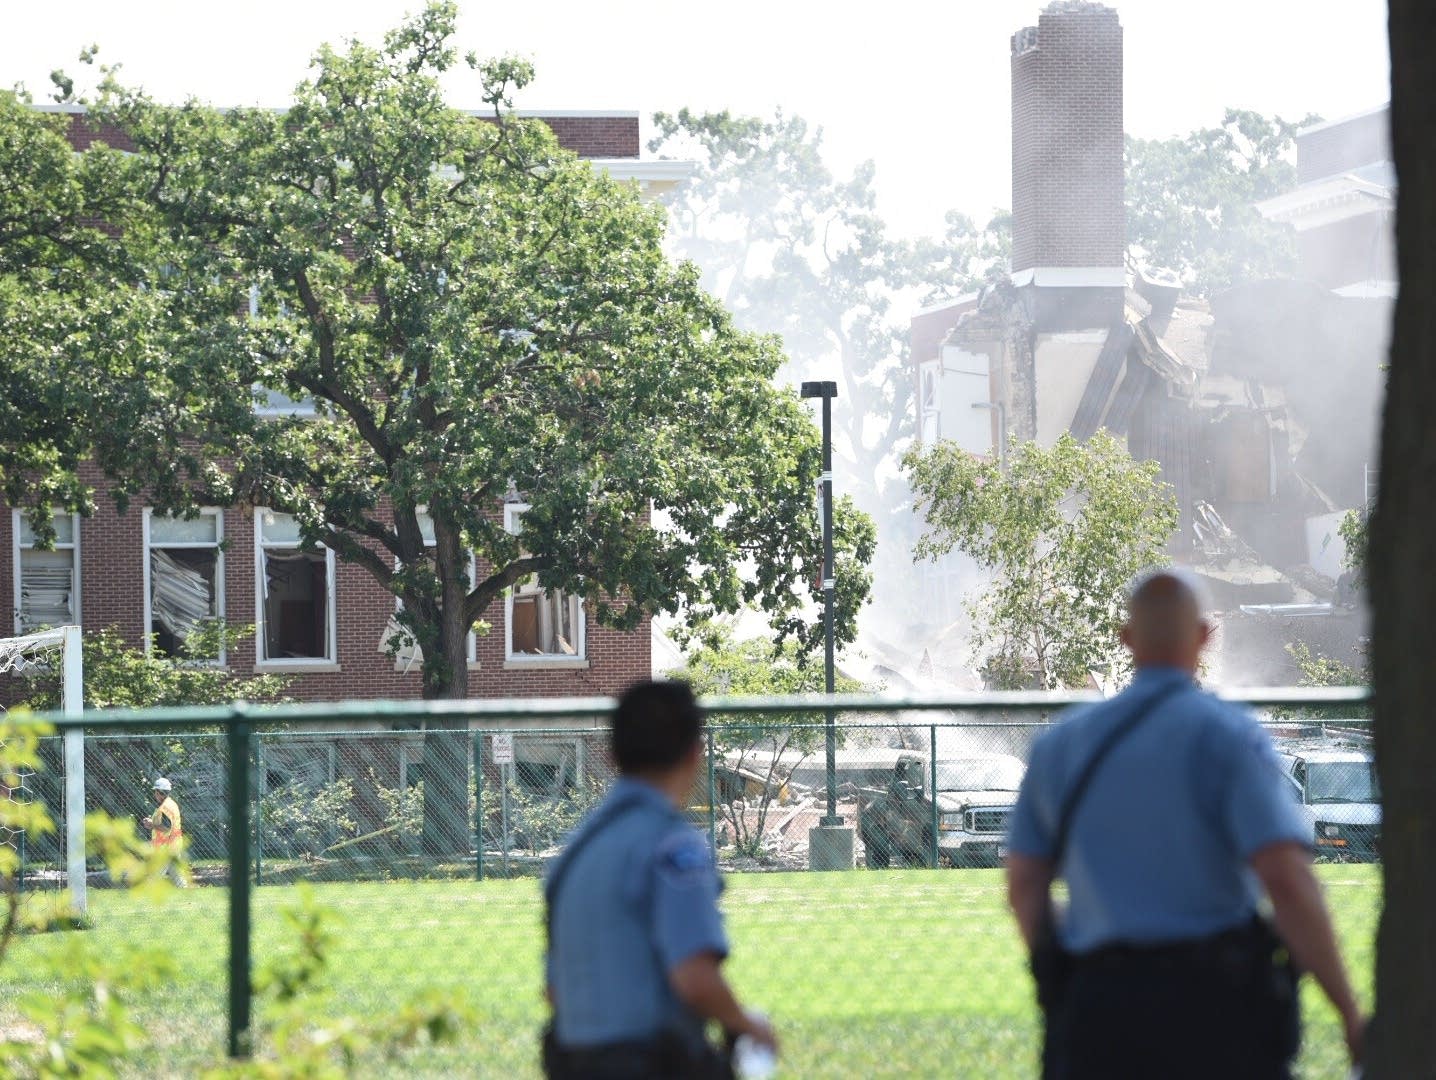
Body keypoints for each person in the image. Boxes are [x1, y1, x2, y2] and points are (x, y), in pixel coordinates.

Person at [1005, 568, 1366, 1079]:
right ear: (1204, 637)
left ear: (1126, 639)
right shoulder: (1229, 737)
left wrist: (1063, 972)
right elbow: (1286, 879)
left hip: (1098, 1014)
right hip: (1217, 1011)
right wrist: (1349, 1012)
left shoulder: (1060, 745)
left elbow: (1024, 886)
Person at [543, 680, 777, 1079]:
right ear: (694, 753)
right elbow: (694, 977)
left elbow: (554, 991)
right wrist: (747, 1025)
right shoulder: (673, 846)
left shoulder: (574, 852)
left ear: (611, 755)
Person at [140, 777, 186, 885]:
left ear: (159, 792)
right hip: (174, 845)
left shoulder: (165, 807)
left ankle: (150, 899)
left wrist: (152, 824)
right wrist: (153, 822)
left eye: (155, 792)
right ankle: (186, 897)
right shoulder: (171, 804)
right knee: (179, 879)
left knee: (155, 878)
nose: (154, 795)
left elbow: (166, 827)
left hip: (165, 848)